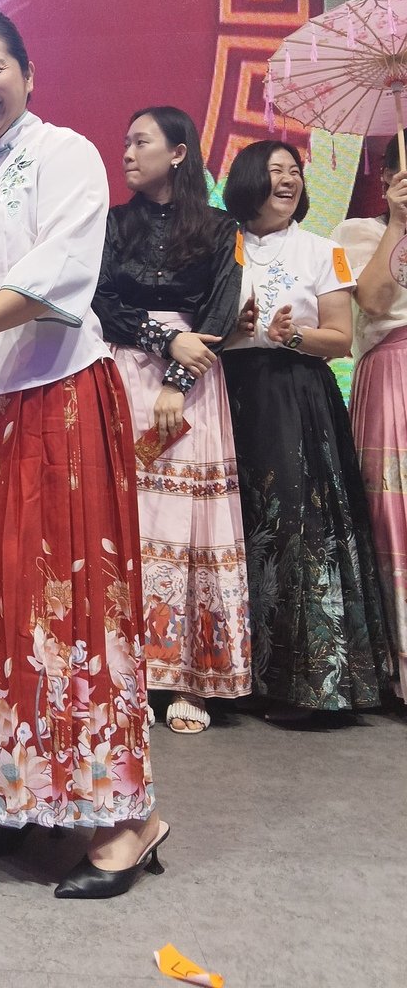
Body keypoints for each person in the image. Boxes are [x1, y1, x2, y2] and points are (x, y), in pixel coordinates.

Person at [0, 10, 165, 899]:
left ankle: (125, 819)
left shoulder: (66, 154)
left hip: (54, 399)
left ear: (28, 73)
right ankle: (15, 794)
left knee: (66, 604)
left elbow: (58, 276)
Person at [221, 140, 391, 721]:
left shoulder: (326, 250)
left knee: (295, 528)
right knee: (233, 528)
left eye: (295, 171)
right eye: (275, 171)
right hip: (228, 393)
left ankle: (306, 682)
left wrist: (293, 336)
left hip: (296, 396)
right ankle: (229, 674)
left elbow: (340, 338)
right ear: (248, 180)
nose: (289, 180)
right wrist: (233, 327)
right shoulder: (220, 244)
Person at [93, 107, 250, 734]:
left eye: (141, 142)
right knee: (124, 518)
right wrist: (163, 340)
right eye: (125, 142)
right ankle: (123, 672)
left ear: (178, 152)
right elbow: (100, 300)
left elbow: (222, 307)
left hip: (195, 382)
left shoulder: (221, 227)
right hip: (122, 373)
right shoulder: (113, 223)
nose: (128, 153)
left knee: (190, 522)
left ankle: (191, 678)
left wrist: (178, 380)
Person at [333, 132, 407, 700]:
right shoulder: (357, 233)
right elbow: (376, 301)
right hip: (392, 371)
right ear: (385, 179)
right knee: (392, 514)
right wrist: (399, 223)